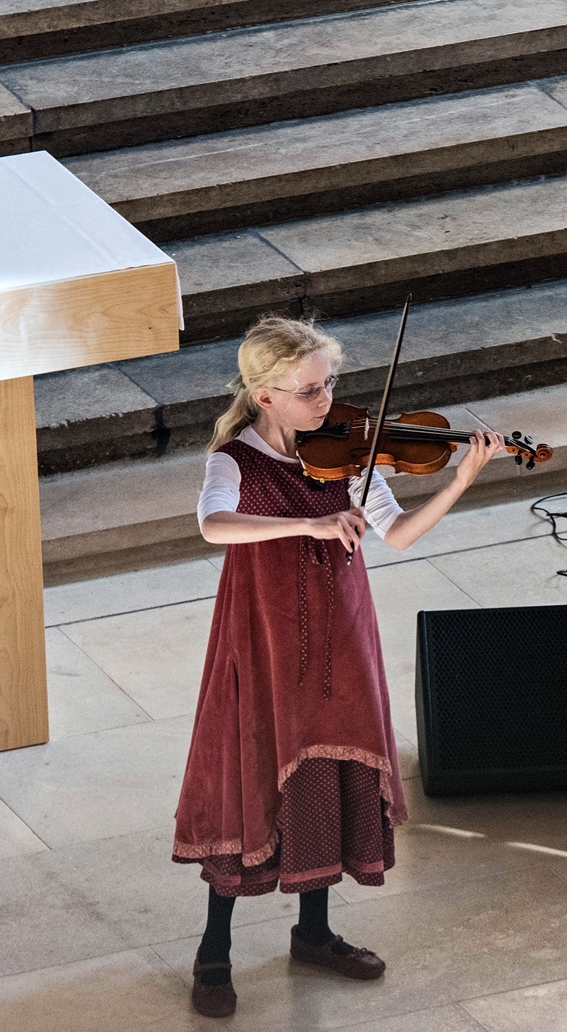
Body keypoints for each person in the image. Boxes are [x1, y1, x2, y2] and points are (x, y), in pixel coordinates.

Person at [172, 315, 505, 1018]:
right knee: (252, 777)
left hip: (340, 639)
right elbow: (213, 525)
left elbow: (399, 533)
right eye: (310, 390)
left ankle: (315, 931)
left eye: (330, 386)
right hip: (261, 646)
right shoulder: (234, 459)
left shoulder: (350, 456)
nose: (327, 402)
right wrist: (313, 523)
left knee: (326, 771)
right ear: (265, 394)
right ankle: (214, 950)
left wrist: (462, 479)